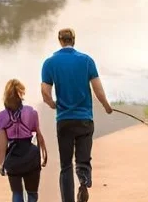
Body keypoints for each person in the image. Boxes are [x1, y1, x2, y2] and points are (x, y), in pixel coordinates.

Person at [40, 28, 113, 202]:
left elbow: (44, 91)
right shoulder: (87, 61)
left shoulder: (50, 63)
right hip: (84, 120)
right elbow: (98, 90)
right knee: (83, 159)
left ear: (60, 40)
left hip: (64, 120)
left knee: (65, 165)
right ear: (74, 40)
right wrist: (106, 106)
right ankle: (83, 180)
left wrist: (52, 104)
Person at [0, 79, 48, 202]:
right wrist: (44, 155)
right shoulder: (31, 112)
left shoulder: (1, 117)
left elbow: (1, 144)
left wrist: (2, 164)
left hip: (13, 158)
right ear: (21, 94)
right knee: (32, 193)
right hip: (31, 156)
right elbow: (39, 136)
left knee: (17, 193)